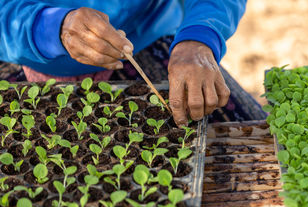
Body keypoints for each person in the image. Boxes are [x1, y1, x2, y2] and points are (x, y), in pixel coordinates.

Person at [0, 0, 266, 124]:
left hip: (147, 39)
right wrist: (48, 27)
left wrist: (198, 38)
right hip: (20, 51)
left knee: (254, 137)